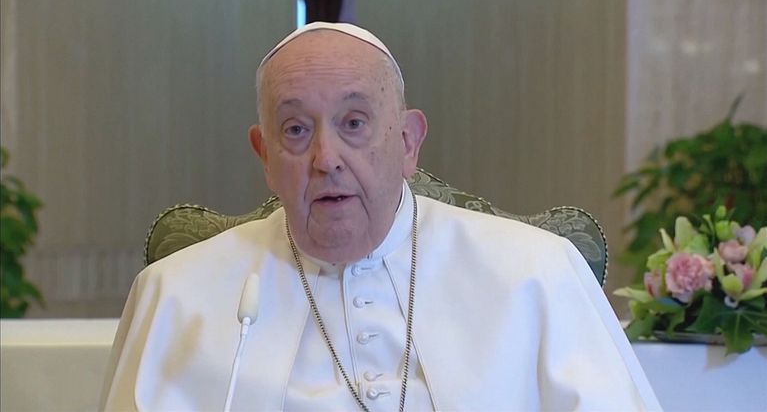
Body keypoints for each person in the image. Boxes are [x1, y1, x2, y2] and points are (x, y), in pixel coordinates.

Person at [100, 22, 661, 411]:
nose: (326, 158)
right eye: (296, 130)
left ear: (408, 141)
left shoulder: (538, 272)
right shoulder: (174, 293)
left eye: (354, 123)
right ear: (265, 155)